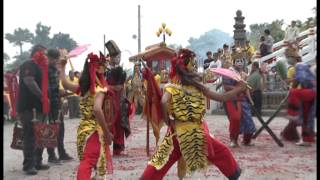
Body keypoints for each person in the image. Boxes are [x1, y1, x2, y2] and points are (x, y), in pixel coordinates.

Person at [140, 48, 247, 180]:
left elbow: (163, 102)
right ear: (189, 67)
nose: (195, 67)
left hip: (177, 132)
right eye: (194, 64)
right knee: (221, 152)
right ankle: (234, 175)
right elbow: (222, 97)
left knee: (162, 158)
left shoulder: (172, 87)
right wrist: (240, 88)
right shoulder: (198, 86)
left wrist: (169, 121)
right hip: (197, 133)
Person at [58, 51, 113, 179]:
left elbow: (65, 83)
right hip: (94, 131)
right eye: (104, 66)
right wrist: (107, 133)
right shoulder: (99, 90)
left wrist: (62, 67)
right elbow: (97, 110)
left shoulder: (83, 88)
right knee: (93, 164)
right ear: (98, 68)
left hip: (83, 130)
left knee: (89, 162)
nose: (105, 70)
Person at [17, 44, 50, 175]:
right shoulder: (28, 64)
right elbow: (29, 81)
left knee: (40, 135)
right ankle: (28, 164)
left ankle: (37, 161)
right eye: (44, 53)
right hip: (29, 106)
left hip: (40, 106)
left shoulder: (42, 67)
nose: (45, 56)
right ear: (37, 53)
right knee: (30, 135)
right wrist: (42, 95)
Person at [280, 46, 316, 146]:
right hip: (310, 92)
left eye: (288, 57)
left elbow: (300, 79)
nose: (287, 59)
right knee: (307, 117)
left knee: (293, 92)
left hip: (310, 91)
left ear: (293, 58)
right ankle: (307, 139)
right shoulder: (302, 65)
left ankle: (293, 113)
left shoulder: (299, 65)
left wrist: (290, 82)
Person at [222, 50, 256, 148]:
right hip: (231, 99)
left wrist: (250, 99)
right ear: (234, 62)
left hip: (242, 99)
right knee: (235, 119)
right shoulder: (229, 73)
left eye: (241, 61)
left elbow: (245, 89)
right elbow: (226, 87)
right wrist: (239, 88)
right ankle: (234, 140)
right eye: (237, 61)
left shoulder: (244, 74)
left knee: (248, 119)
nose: (240, 63)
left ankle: (247, 140)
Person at [104, 40, 132, 156]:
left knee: (120, 123)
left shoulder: (120, 69)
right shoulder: (104, 68)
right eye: (117, 57)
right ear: (111, 57)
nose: (119, 59)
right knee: (109, 121)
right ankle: (103, 148)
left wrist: (122, 86)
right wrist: (111, 87)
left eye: (120, 57)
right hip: (108, 99)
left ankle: (118, 148)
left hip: (120, 98)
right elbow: (100, 84)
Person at [46, 48, 73, 164]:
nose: (57, 61)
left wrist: (62, 92)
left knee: (60, 129)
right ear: (50, 58)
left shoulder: (55, 70)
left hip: (57, 103)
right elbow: (48, 89)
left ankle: (61, 153)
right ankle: (51, 156)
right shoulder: (46, 70)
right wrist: (59, 92)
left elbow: (56, 87)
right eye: (55, 59)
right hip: (50, 104)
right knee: (51, 129)